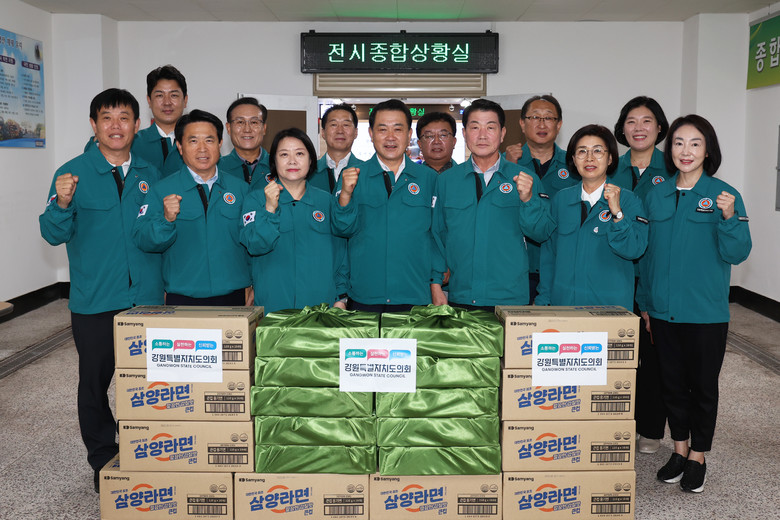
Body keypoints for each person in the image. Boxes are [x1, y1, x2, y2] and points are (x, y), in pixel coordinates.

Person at [39, 88, 164, 492]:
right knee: (94, 383)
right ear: (94, 125)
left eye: (124, 117)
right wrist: (61, 204)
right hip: (96, 301)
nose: (116, 126)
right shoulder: (72, 174)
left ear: (137, 124)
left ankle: (151, 451)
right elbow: (53, 233)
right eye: (106, 118)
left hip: (146, 299)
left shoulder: (149, 174)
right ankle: (102, 457)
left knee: (152, 383)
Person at [638, 115, 751, 493]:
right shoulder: (656, 195)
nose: (685, 151)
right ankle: (679, 450)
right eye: (678, 143)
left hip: (705, 313)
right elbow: (648, 256)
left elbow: (738, 252)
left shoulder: (724, 194)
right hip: (663, 311)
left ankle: (698, 456)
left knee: (702, 388)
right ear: (669, 149)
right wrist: (646, 304)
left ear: (708, 150)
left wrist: (729, 217)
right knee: (671, 386)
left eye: (695, 143)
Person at [432, 98, 555, 310]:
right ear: (464, 133)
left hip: (509, 298)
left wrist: (528, 200)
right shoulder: (446, 181)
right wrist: (435, 282)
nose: (482, 135)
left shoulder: (525, 178)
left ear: (502, 133)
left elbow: (542, 233)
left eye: (490, 127)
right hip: (460, 294)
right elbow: (437, 235)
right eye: (475, 127)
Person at [332, 99, 443, 312]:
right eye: (382, 129)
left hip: (414, 293)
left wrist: (436, 281)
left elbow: (437, 235)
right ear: (371, 134)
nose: (390, 137)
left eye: (398, 129)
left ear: (409, 135)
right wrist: (345, 194)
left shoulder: (429, 179)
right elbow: (341, 230)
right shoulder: (352, 176)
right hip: (364, 294)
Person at [133, 109, 252, 306]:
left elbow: (252, 243)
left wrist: (253, 282)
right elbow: (142, 239)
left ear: (220, 144)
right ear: (180, 146)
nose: (202, 149)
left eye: (209, 140)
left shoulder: (240, 190)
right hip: (181, 297)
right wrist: (165, 220)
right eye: (193, 141)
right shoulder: (161, 190)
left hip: (234, 296)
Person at [613, 95, 673, 455]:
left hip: (656, 274)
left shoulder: (675, 169)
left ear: (660, 127)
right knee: (613, 355)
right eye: (631, 121)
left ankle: (650, 427)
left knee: (653, 358)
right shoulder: (609, 167)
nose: (638, 128)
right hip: (615, 273)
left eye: (646, 121)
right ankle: (615, 423)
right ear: (622, 129)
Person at [536, 124, 647, 310]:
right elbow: (549, 256)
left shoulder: (629, 200)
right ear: (573, 159)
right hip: (564, 305)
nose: (589, 158)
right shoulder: (561, 200)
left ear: (610, 158)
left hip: (610, 309)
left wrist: (617, 213)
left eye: (597, 151)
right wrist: (543, 299)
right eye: (582, 151)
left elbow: (634, 250)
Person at [240, 128, 348, 313]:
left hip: (322, 307)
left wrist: (341, 297)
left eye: (299, 154)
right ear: (274, 161)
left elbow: (341, 255)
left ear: (311, 159)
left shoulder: (326, 201)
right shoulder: (256, 200)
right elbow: (255, 246)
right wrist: (270, 209)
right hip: (273, 307)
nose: (292, 161)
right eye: (284, 154)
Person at [504, 95, 578, 301]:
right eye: (535, 117)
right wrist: (509, 167)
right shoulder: (504, 163)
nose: (542, 124)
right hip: (516, 268)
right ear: (522, 123)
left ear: (559, 124)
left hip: (562, 267)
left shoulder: (575, 165)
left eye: (549, 118)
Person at [131, 65, 188, 177]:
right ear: (149, 101)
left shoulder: (199, 142)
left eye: (174, 95)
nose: (167, 102)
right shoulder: (132, 143)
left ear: (185, 100)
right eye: (160, 95)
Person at [219, 97, 271, 189]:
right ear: (228, 128)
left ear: (264, 128)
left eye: (254, 122)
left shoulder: (280, 166)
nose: (247, 129)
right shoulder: (216, 169)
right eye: (240, 122)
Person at [311, 103, 362, 193]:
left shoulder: (366, 172)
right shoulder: (309, 172)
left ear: (356, 132)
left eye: (346, 125)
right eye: (334, 125)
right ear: (323, 133)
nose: (340, 131)